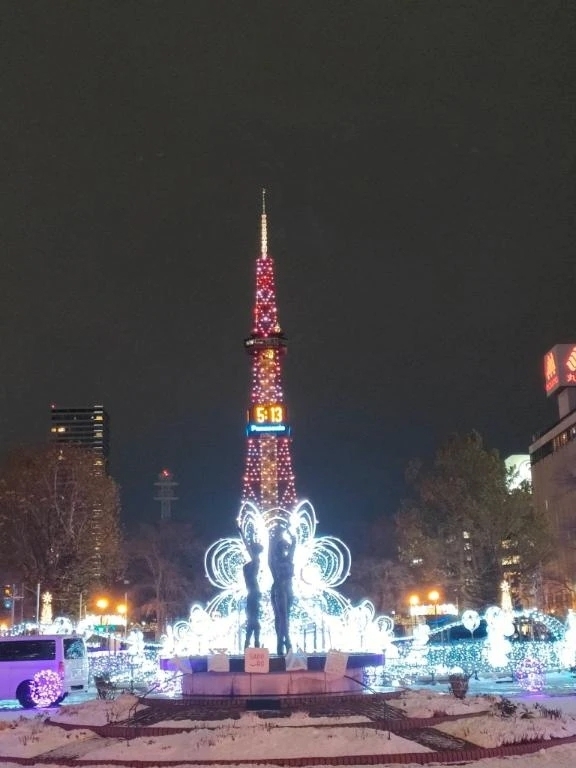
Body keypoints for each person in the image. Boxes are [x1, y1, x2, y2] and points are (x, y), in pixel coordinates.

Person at [269, 527, 296, 656]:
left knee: (285, 617)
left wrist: (288, 530)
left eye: (285, 546)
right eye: (282, 546)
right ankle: (285, 642)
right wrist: (274, 537)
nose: (284, 548)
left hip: (289, 589)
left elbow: (294, 542)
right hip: (279, 589)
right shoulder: (274, 561)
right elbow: (271, 548)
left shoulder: (289, 558)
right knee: (282, 617)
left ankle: (281, 642)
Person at [239, 528, 263, 649]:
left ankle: (250, 642)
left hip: (253, 592)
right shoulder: (253, 562)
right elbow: (248, 547)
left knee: (252, 619)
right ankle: (253, 642)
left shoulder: (255, 562)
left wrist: (243, 535)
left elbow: (248, 547)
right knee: (252, 619)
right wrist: (244, 534)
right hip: (253, 593)